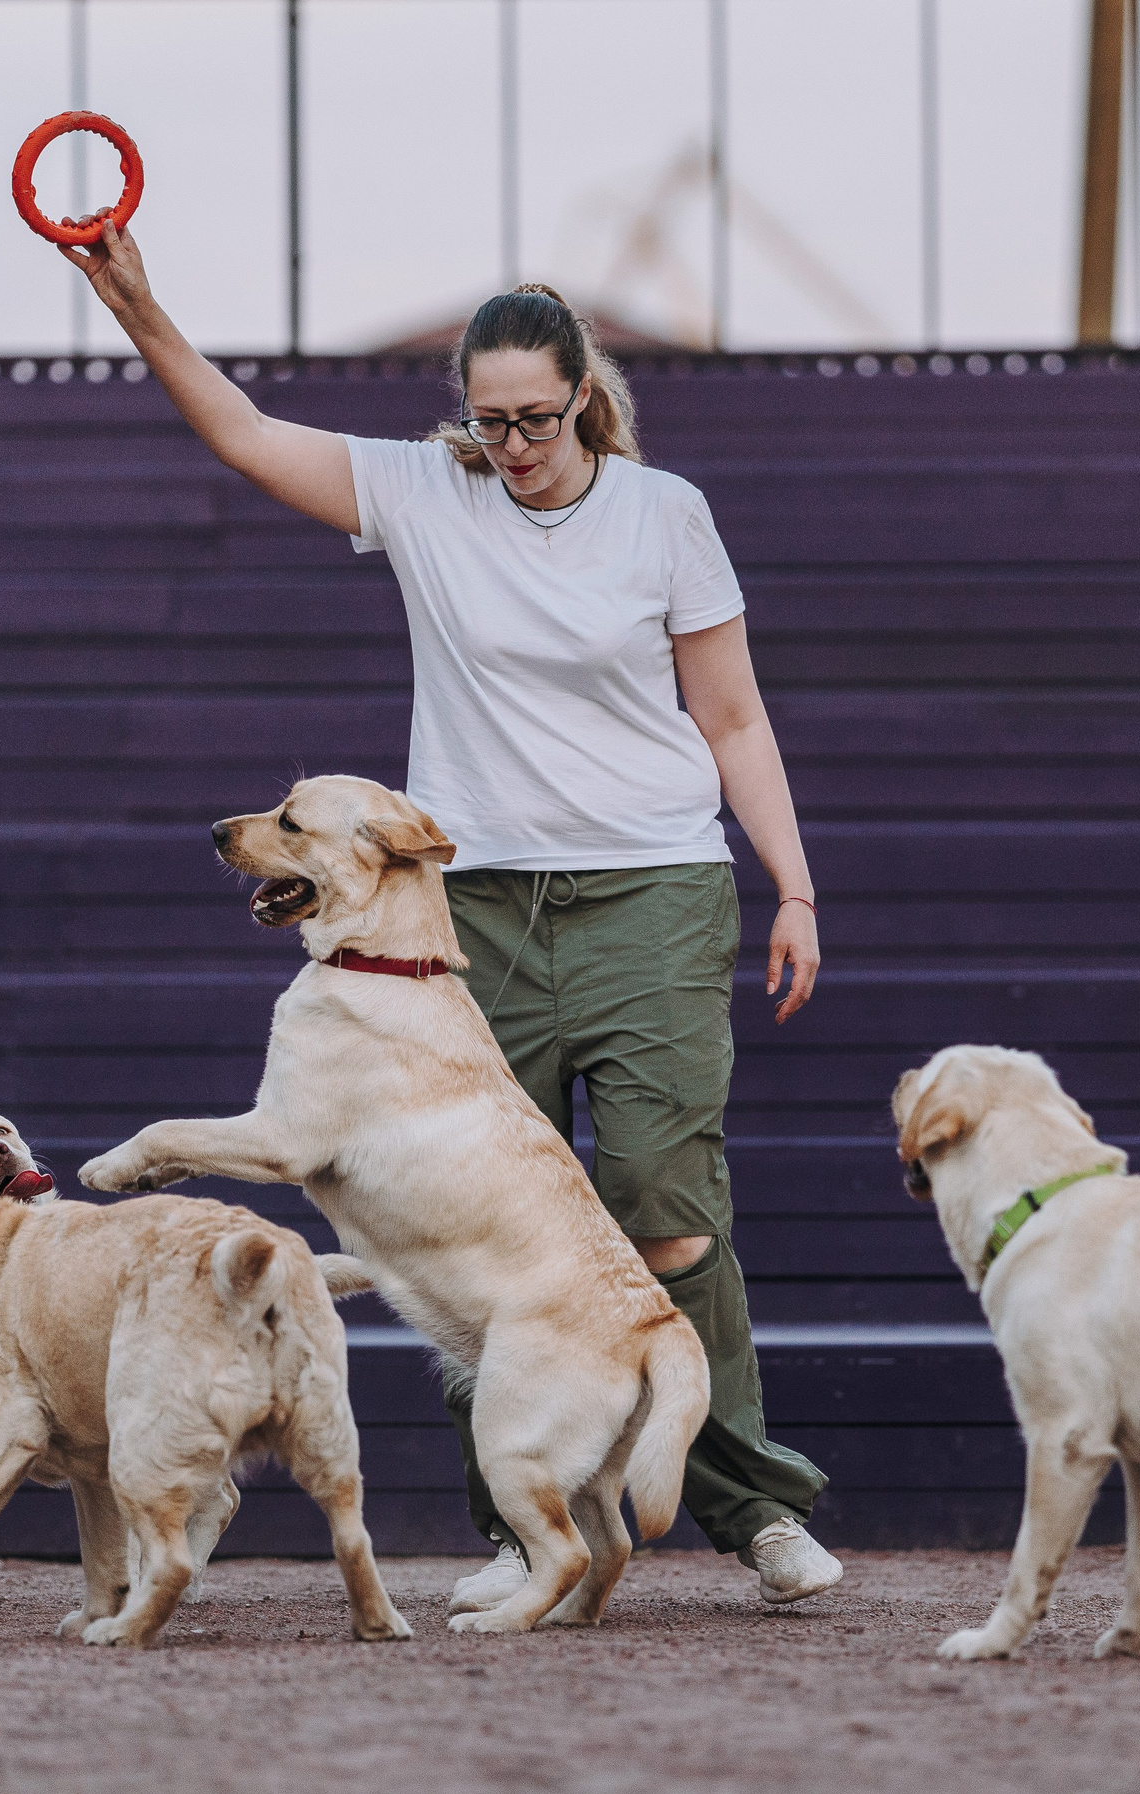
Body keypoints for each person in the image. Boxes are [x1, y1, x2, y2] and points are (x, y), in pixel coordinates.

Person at [60, 223, 841, 1609]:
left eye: (537, 419)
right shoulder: (427, 493)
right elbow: (245, 435)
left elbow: (731, 715)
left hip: (655, 888)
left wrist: (793, 883)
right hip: (473, 911)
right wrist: (139, 305)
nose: (514, 445)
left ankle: (756, 1508)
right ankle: (525, 1519)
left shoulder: (666, 514)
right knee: (477, 1228)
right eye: (490, 421)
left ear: (584, 397)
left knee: (665, 1203)